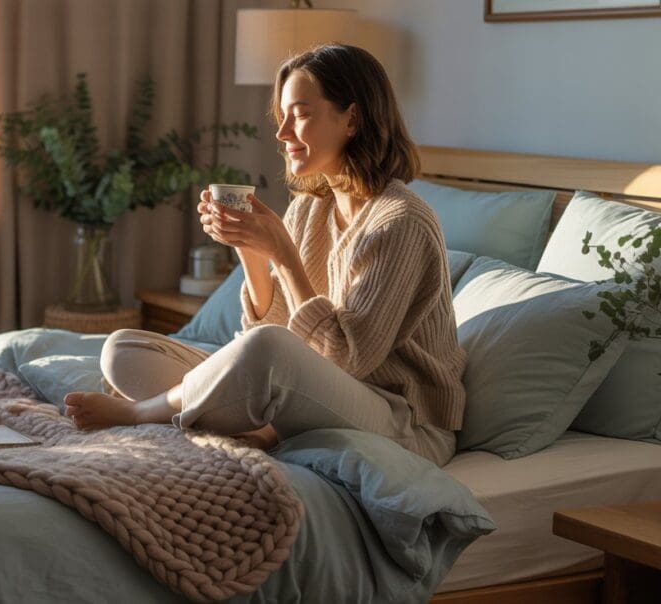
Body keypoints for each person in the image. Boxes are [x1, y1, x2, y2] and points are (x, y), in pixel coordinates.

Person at [63, 44, 465, 467]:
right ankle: (255, 425)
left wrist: (285, 254)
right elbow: (281, 331)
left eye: (301, 114)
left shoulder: (400, 221)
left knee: (267, 348)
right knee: (122, 349)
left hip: (402, 419)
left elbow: (346, 360)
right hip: (313, 391)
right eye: (283, 116)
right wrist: (252, 255)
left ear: (352, 118)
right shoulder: (311, 209)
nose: (283, 133)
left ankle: (139, 413)